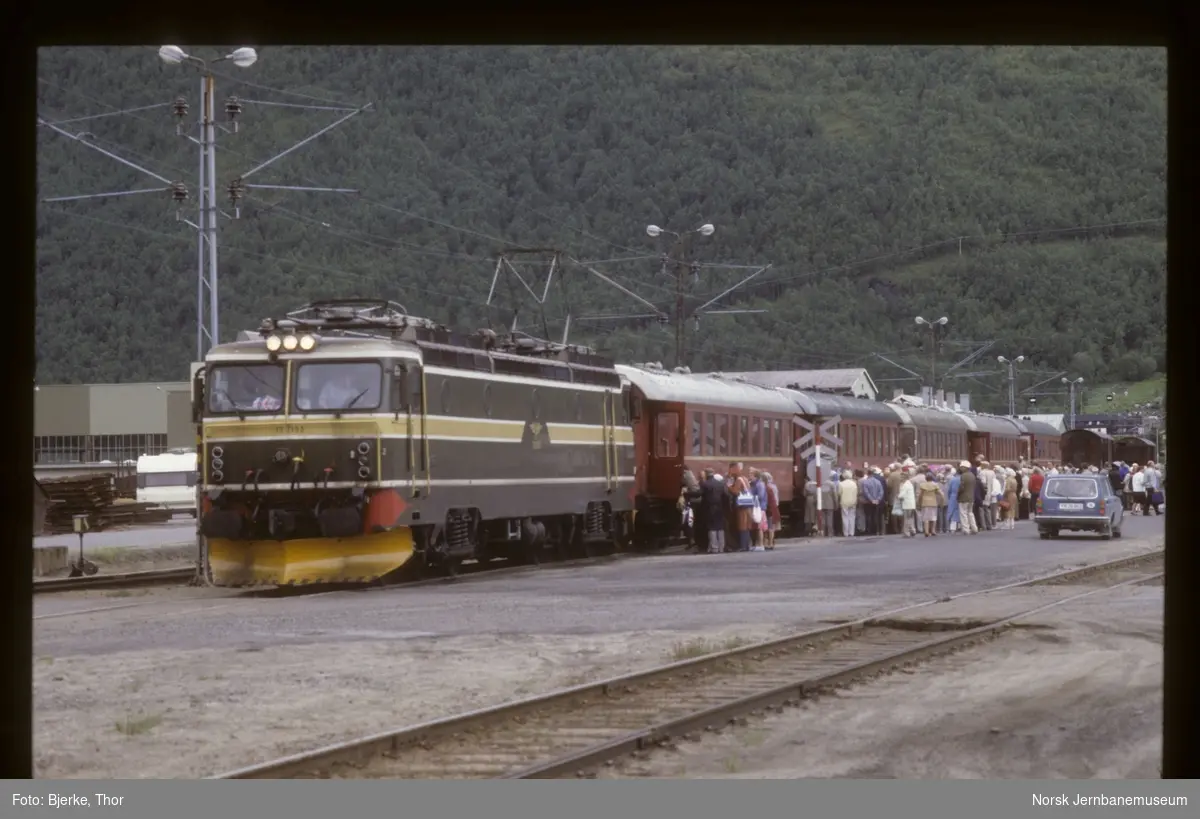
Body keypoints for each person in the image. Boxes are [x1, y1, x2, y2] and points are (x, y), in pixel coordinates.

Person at [699, 469, 727, 554]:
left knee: (712, 527)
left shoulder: (705, 484)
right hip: (720, 507)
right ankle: (721, 547)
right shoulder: (721, 483)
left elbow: (699, 494)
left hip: (709, 508)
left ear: (707, 474)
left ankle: (714, 547)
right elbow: (726, 495)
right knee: (720, 527)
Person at [917, 473, 942, 537]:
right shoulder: (935, 485)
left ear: (926, 478)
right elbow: (941, 494)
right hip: (933, 502)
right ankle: (933, 531)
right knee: (933, 517)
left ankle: (926, 531)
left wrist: (918, 502)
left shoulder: (922, 485)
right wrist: (942, 501)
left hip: (925, 503)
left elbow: (920, 495)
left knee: (926, 518)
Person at [763, 471, 781, 549]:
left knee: (768, 526)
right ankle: (771, 542)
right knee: (772, 526)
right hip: (774, 507)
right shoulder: (774, 486)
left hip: (769, 508)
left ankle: (768, 543)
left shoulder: (767, 487)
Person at [838, 470, 859, 538]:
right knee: (852, 517)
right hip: (853, 502)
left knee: (845, 517)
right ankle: (851, 532)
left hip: (844, 502)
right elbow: (856, 493)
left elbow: (839, 493)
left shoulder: (841, 484)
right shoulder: (854, 483)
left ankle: (846, 533)